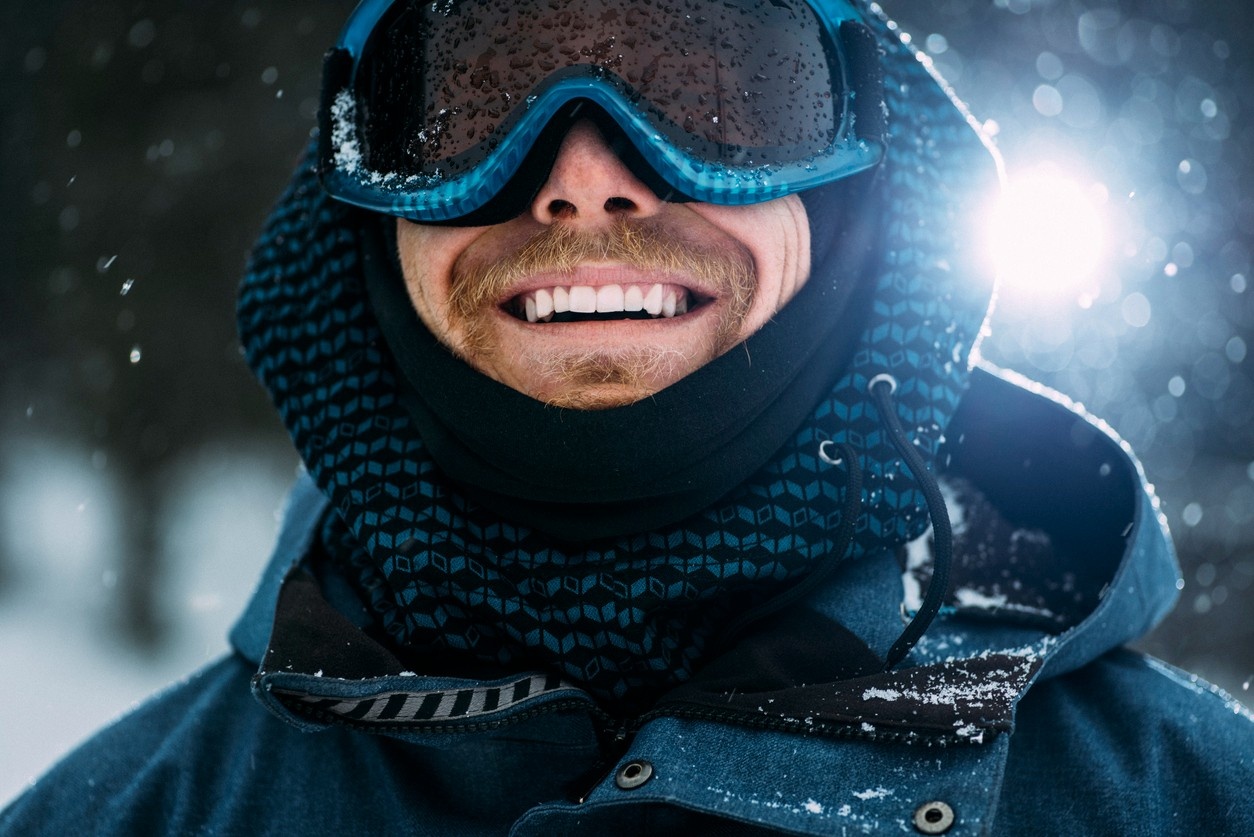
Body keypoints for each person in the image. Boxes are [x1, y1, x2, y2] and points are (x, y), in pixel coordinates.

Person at [4, 0, 1252, 833]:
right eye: (472, 107)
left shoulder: (1189, 804)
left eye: (713, 91)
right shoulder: (121, 817)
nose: (586, 178)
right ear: (368, 218)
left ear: (863, 199)